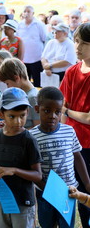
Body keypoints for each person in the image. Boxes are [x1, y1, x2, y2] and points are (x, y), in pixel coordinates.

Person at [30, 87, 90, 228]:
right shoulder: (32, 137)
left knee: (67, 225)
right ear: (37, 109)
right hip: (44, 192)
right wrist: (46, 189)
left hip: (69, 192)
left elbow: (78, 157)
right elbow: (31, 166)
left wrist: (87, 183)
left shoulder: (69, 131)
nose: (53, 116)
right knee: (47, 224)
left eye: (57, 112)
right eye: (47, 111)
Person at [0, 87, 42, 228]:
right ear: (1, 114)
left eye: (22, 116)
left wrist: (14, 170)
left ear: (28, 113)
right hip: (0, 198)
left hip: (22, 201)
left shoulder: (29, 140)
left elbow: (38, 175)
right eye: (12, 116)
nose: (18, 121)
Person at [59, 23, 90, 227]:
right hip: (71, 142)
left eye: (83, 43)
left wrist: (68, 112)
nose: (77, 47)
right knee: (74, 188)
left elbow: (88, 118)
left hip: (88, 143)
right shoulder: (71, 71)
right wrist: (61, 136)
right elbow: (62, 105)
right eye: (76, 41)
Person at [0, 58, 40, 129]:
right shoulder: (23, 95)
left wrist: (14, 130)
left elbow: (37, 128)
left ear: (16, 78)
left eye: (7, 83)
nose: (7, 87)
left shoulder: (32, 98)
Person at [17, 5, 47, 87]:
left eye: (28, 11)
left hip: (36, 58)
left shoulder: (39, 24)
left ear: (33, 13)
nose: (26, 13)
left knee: (38, 83)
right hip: (24, 59)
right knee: (24, 82)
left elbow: (44, 38)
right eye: (24, 11)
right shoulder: (19, 25)